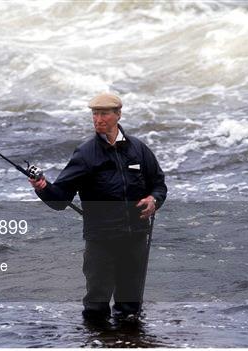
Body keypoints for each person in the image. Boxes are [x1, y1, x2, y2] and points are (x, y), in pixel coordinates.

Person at [29, 92, 167, 322]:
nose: (98, 119)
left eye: (103, 114)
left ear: (118, 115)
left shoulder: (138, 149)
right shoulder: (85, 154)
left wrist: (154, 200)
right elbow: (60, 199)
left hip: (136, 238)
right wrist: (42, 187)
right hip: (101, 241)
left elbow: (159, 185)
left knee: (131, 308)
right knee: (96, 307)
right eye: (94, 114)